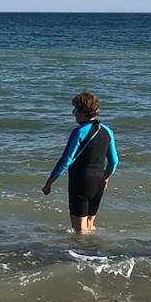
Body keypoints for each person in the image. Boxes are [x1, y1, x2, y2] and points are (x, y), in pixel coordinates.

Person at [42, 90, 120, 234]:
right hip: (98, 182)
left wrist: (49, 182)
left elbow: (66, 160)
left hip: (81, 181)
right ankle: (94, 255)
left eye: (76, 109)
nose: (73, 113)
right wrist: (106, 177)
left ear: (83, 111)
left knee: (79, 230)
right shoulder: (107, 131)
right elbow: (114, 161)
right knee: (90, 226)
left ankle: (81, 255)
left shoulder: (79, 132)